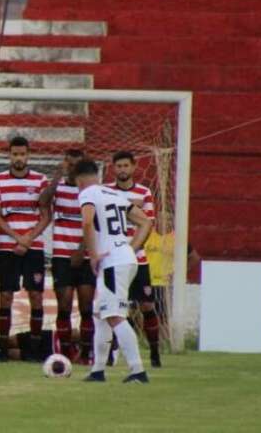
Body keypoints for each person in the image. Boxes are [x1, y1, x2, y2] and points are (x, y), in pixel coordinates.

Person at [76, 158, 153, 384]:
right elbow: (146, 222)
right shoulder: (115, 195)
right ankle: (98, 370)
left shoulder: (88, 193)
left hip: (111, 262)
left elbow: (87, 223)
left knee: (114, 316)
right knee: (101, 314)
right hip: (125, 259)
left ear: (79, 180)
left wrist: (93, 254)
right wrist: (130, 248)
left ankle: (137, 370)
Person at [0, 136, 51, 361]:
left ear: (28, 155)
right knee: (6, 296)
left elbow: (46, 216)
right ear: (9, 155)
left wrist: (28, 239)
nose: (18, 158)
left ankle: (34, 350)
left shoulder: (40, 180)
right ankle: (4, 350)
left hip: (33, 248)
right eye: (14, 154)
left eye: (22, 154)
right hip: (8, 247)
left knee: (35, 295)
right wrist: (18, 238)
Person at [106, 151, 161, 367]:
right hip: (114, 261)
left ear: (134, 167)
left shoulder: (144, 193)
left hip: (138, 259)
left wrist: (130, 250)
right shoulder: (106, 191)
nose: (122, 170)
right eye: (118, 166)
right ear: (113, 168)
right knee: (114, 308)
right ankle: (110, 354)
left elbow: (147, 226)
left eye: (125, 166)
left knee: (146, 305)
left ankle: (155, 353)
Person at [40, 148, 95, 363]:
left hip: (86, 257)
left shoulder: (91, 192)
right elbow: (43, 202)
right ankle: (64, 353)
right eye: (69, 164)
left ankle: (86, 353)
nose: (73, 169)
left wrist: (81, 250)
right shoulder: (59, 189)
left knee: (86, 307)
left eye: (76, 165)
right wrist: (56, 177)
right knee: (63, 305)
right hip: (61, 256)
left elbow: (93, 224)